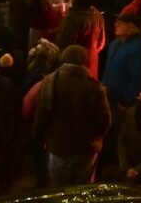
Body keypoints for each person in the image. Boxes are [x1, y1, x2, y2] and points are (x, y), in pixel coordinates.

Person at [33, 45, 110, 186]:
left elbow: (42, 115)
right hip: (86, 150)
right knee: (81, 191)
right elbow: (105, 121)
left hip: (57, 147)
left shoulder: (50, 81)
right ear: (84, 62)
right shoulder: (95, 87)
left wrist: (44, 138)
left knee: (58, 190)